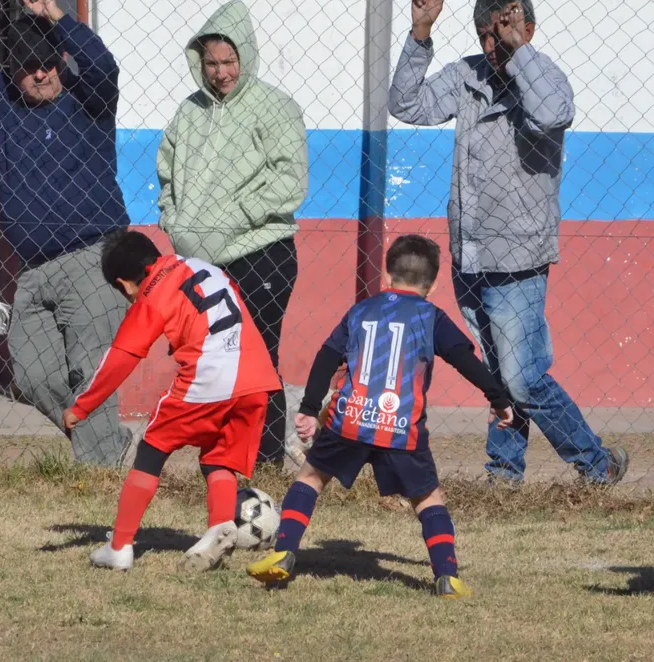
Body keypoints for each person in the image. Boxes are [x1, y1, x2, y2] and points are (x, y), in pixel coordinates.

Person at [388, 0, 628, 485]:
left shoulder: (545, 78)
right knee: (500, 377)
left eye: (504, 33)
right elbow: (406, 104)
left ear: (528, 30)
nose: (492, 46)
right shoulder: (467, 75)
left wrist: (518, 53)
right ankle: (503, 473)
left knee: (523, 378)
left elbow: (551, 115)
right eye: (486, 35)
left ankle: (596, 464)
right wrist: (419, 34)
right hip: (469, 254)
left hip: (517, 259)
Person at [246, 235, 514, 597]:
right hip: (400, 428)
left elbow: (327, 356)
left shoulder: (361, 311)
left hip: (349, 419)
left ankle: (282, 553)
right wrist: (498, 398)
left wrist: (310, 408)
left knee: (310, 479)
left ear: (386, 276)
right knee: (429, 499)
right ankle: (447, 576)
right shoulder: (431, 317)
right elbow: (465, 359)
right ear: (433, 285)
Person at [0, 0, 132, 466]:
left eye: (46, 66)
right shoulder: (5, 105)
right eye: (27, 69)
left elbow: (102, 66)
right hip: (33, 267)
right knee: (34, 374)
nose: (39, 76)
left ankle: (100, 472)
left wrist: (57, 16)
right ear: (12, 74)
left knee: (89, 369)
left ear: (59, 63)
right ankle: (103, 445)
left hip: (91, 256)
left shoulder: (88, 102)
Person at [63, 231, 280, 571]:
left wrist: (82, 407)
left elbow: (122, 355)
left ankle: (119, 546)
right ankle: (220, 527)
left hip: (209, 378)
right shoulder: (201, 266)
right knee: (218, 457)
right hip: (257, 377)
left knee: (152, 448)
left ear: (124, 284)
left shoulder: (150, 294)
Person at [157, 0, 308, 467]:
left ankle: (263, 463)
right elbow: (167, 174)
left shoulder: (276, 108)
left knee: (259, 358)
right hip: (202, 261)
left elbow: (291, 180)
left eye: (229, 61)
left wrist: (238, 214)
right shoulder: (190, 112)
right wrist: (173, 220)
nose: (221, 72)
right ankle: (224, 458)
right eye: (211, 63)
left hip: (259, 252)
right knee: (216, 361)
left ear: (246, 56)